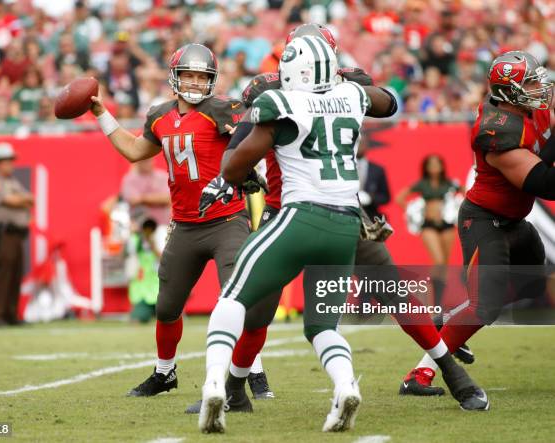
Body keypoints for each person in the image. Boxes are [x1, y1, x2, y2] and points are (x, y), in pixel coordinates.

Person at [190, 22, 485, 415]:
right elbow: (386, 102)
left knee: (393, 292)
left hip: (331, 211)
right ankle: (236, 388)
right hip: (298, 211)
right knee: (261, 312)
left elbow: (385, 102)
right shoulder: (296, 90)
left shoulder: (325, 88)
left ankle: (450, 371)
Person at [89, 42, 270, 399]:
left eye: (202, 76)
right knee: (168, 306)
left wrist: (252, 167)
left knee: (235, 299)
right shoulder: (159, 115)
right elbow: (133, 150)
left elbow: (254, 141)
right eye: (188, 74)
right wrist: (100, 112)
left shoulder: (224, 110)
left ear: (212, 81)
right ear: (174, 77)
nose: (195, 82)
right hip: (185, 224)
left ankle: (253, 371)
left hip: (226, 219)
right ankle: (164, 373)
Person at [399, 50, 554, 396]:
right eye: (529, 81)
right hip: (485, 221)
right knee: (485, 306)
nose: (539, 87)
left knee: (531, 286)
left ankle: (449, 318)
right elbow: (545, 183)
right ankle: (418, 376)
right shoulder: (497, 132)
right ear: (510, 90)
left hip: (516, 220)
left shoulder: (535, 106)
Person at [395, 154, 462, 309]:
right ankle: (430, 303)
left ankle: (437, 305)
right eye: (431, 164)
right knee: (437, 261)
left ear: (442, 166)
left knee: (444, 265)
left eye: (437, 163)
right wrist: (413, 212)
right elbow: (400, 198)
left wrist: (456, 208)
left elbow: (466, 193)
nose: (434, 167)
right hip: (428, 225)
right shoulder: (422, 184)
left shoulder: (450, 183)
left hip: (447, 225)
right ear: (426, 167)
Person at [0, 142, 33, 327]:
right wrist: (22, 201)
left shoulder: (12, 182)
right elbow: (9, 200)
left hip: (17, 234)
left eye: (11, 160)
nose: (10, 164)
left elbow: (30, 199)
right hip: (3, 233)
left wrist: (21, 200)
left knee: (15, 274)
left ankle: (10, 314)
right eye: (6, 161)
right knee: (2, 274)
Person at [126, 218, 160, 324]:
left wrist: (153, 245)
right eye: (146, 229)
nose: (148, 232)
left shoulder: (160, 239)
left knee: (168, 317)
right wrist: (132, 234)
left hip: (158, 288)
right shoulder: (135, 240)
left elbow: (164, 260)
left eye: (150, 229)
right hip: (142, 290)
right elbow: (126, 253)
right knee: (138, 318)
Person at [356, 137, 391, 221]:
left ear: (367, 145)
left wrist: (370, 198)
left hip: (370, 215)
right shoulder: (343, 167)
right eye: (356, 143)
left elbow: (385, 197)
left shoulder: (377, 170)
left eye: (362, 143)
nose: (359, 146)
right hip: (348, 215)